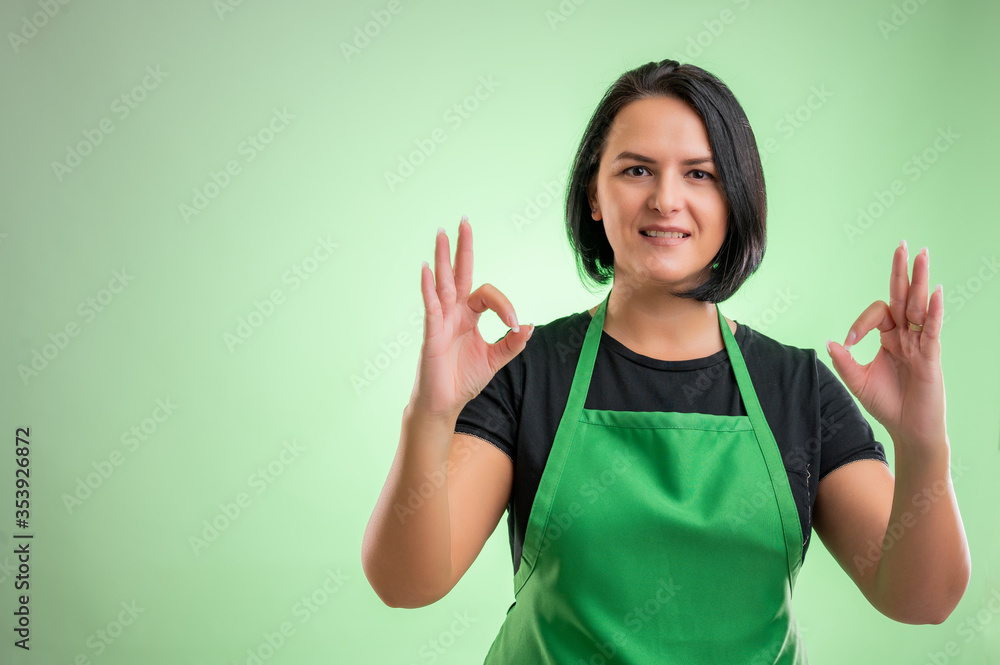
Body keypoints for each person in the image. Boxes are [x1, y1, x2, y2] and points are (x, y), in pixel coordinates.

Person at [361, 59, 971, 663]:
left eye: (700, 174)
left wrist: (922, 442)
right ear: (595, 197)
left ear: (735, 199)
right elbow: (408, 584)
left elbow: (921, 600)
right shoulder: (528, 371)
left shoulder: (798, 389)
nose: (665, 199)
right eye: (635, 170)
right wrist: (431, 414)